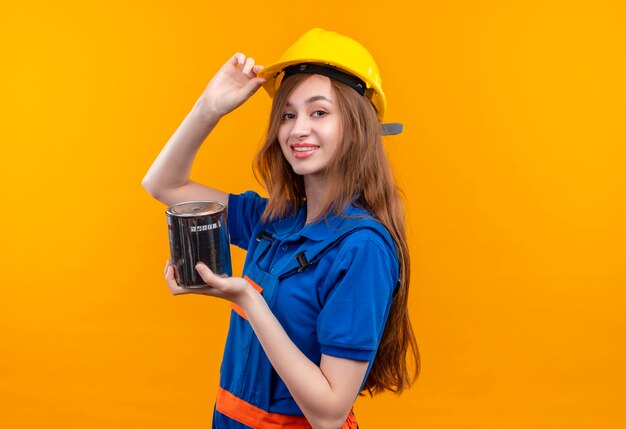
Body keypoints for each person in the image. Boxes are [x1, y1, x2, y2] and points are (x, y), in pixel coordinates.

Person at [142, 28, 419, 429]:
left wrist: (249, 301)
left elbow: (328, 414)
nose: (297, 129)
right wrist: (209, 107)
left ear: (357, 126)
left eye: (319, 112)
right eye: (288, 114)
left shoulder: (363, 248)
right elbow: (162, 184)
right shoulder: (273, 218)